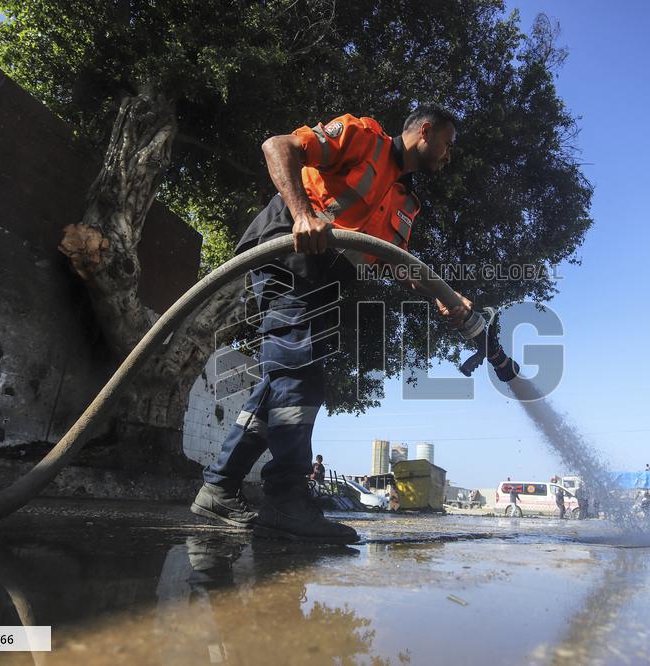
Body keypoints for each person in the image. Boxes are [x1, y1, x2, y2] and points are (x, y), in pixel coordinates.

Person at [191, 105, 466, 543]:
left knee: (279, 383)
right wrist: (302, 213)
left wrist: (444, 298)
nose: (448, 156)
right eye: (448, 145)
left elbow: (397, 263)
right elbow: (277, 146)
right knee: (301, 378)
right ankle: (286, 499)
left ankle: (219, 487)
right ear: (425, 132)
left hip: (322, 281)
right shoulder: (363, 138)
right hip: (285, 251)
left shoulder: (404, 201)